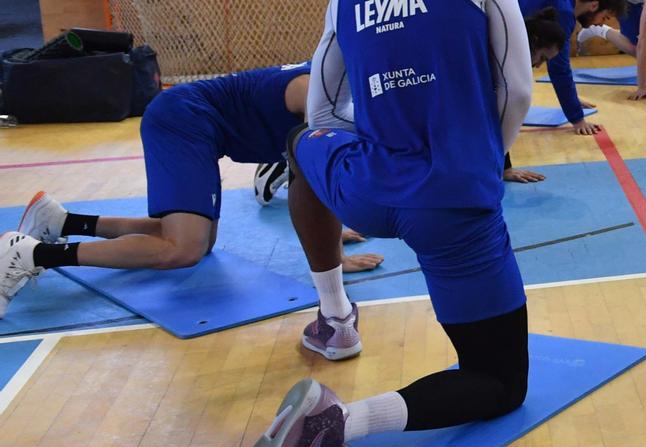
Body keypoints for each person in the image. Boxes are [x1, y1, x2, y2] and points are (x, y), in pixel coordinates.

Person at [227, 0, 538, 447]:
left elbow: (319, 108)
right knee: (497, 383)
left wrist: (363, 145)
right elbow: (518, 88)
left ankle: (336, 313)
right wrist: (485, 163)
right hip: (454, 202)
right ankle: (342, 423)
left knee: (298, 141)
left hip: (363, 191)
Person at [0, 63, 383, 320]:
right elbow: (313, 179)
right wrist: (330, 248)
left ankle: (62, 221)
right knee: (182, 249)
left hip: (200, 124)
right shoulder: (319, 92)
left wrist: (329, 228)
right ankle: (33, 253)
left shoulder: (338, 85)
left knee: (197, 241)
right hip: (185, 119)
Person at [516, 0, 603, 137]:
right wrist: (577, 118)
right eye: (604, 17)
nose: (600, 24)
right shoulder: (562, 12)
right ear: (594, 5)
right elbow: (559, 68)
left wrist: (573, 100)